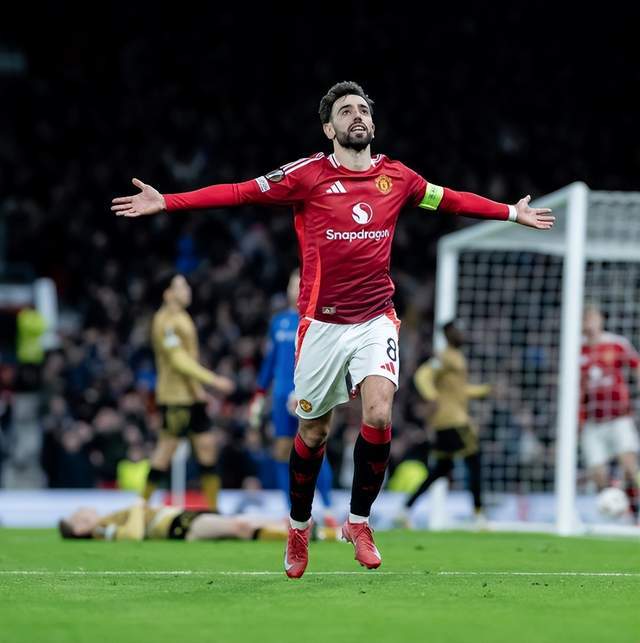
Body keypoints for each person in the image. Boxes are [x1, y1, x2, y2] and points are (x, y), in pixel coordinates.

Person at [112, 80, 554, 578]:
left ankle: (358, 522)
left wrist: (510, 212)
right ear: (329, 128)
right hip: (321, 325)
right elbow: (239, 192)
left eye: (363, 109)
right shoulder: (308, 175)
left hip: (375, 318)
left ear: (373, 122)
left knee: (380, 414)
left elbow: (450, 200)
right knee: (314, 430)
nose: (357, 115)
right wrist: (168, 202)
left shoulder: (398, 178)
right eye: (345, 111)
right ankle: (298, 528)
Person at [248, 269, 336, 526]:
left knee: (314, 444)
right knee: (281, 450)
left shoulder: (319, 319)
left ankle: (328, 508)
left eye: (299, 285)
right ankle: (293, 513)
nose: (294, 290)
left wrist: (306, 390)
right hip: (280, 395)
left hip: (307, 390)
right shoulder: (279, 322)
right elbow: (271, 361)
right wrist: (260, 394)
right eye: (291, 284)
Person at [143, 274, 235, 511]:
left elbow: (188, 360)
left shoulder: (182, 317)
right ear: (167, 294)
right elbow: (178, 361)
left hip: (192, 396)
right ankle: (141, 505)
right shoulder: (164, 321)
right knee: (166, 450)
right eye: (181, 287)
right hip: (174, 397)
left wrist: (198, 390)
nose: (187, 290)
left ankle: (213, 510)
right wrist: (213, 380)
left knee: (207, 447)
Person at [396, 321, 491, 527]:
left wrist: (483, 390)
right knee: (474, 462)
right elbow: (423, 375)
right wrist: (431, 396)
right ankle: (479, 514)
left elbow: (460, 390)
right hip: (454, 421)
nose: (462, 335)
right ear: (449, 334)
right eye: (458, 331)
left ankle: (405, 509)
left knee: (440, 469)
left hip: (445, 422)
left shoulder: (455, 357)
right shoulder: (445, 357)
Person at [580, 304, 640, 518]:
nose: (589, 323)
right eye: (585, 318)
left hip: (619, 417)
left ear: (601, 319)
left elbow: (636, 365)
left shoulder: (616, 344)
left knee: (630, 466)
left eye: (592, 317)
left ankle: (635, 514)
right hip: (592, 421)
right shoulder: (576, 349)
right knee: (598, 475)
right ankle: (616, 512)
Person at [58, 499, 338, 542]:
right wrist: (136, 509)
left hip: (179, 521)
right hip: (176, 524)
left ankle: (325, 533)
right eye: (79, 517)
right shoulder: (100, 529)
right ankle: (322, 536)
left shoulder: (102, 523)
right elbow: (132, 536)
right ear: (80, 528)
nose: (85, 512)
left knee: (247, 522)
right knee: (241, 526)